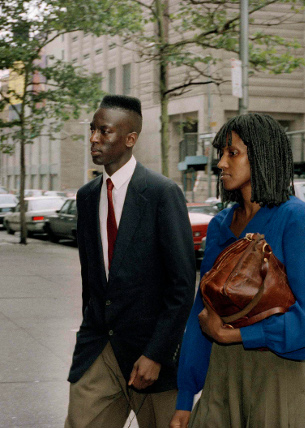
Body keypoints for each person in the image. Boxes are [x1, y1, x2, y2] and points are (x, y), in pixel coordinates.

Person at [170, 113, 305, 428]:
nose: (221, 163)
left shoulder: (298, 220)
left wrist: (237, 335)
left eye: (232, 153)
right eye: (221, 153)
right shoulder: (220, 224)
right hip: (220, 374)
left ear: (261, 156)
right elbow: (201, 314)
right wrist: (185, 397)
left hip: (277, 375)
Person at [65, 95, 196, 428]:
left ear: (130, 138)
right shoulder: (86, 196)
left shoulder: (161, 193)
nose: (94, 138)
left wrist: (156, 354)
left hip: (150, 356)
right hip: (98, 352)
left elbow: (182, 285)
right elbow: (90, 279)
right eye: (93, 130)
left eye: (104, 131)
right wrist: (89, 331)